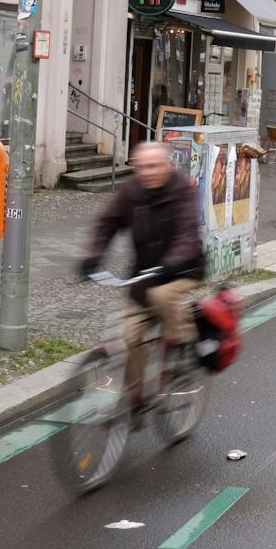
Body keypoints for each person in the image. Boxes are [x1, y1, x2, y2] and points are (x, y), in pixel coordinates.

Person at [78, 142, 206, 419]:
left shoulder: (182, 189)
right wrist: (94, 255)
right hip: (144, 275)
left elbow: (187, 233)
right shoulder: (132, 191)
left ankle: (181, 341)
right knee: (129, 336)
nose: (147, 173)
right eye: (141, 167)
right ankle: (134, 395)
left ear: (167, 165)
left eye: (154, 166)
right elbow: (108, 222)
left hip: (184, 269)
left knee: (162, 297)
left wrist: (171, 265)